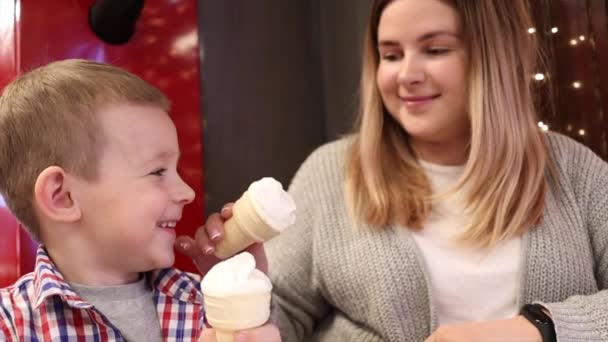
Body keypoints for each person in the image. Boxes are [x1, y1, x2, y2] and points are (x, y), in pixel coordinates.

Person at [179, 0, 608, 341]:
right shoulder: (331, 173)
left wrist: (541, 328)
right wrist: (245, 300)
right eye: (390, 55)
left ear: (493, 56)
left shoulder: (572, 171)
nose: (407, 75)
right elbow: (285, 320)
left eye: (435, 50)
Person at [0, 59, 279, 342]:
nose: (187, 193)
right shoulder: (10, 325)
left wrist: (247, 300)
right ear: (62, 197)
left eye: (176, 170)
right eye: (157, 171)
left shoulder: (203, 304)